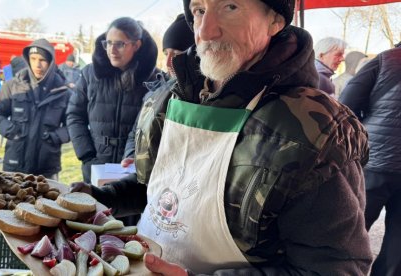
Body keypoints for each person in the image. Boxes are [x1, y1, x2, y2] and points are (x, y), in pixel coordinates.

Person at [71, 0, 373, 274]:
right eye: (199, 9)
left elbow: (336, 268)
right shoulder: (170, 97)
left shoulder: (312, 132)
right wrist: (99, 199)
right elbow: (158, 189)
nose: (205, 30)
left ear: (275, 20)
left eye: (230, 7)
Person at [66, 17, 159, 184]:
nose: (112, 50)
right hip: (95, 166)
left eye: (120, 44)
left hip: (134, 170)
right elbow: (74, 115)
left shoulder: (154, 80)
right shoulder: (90, 74)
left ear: (136, 45)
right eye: (108, 43)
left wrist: (138, 160)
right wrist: (87, 156)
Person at [339, 43, 401, 276]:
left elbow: (347, 104)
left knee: (351, 231)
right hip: (381, 160)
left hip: (375, 161)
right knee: (399, 245)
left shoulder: (386, 59)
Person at [0, 39, 71, 180]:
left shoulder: (63, 92)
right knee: (12, 201)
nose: (37, 65)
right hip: (15, 165)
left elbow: (74, 124)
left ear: (51, 63)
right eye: (33, 59)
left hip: (46, 167)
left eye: (43, 60)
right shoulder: (12, 86)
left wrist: (55, 137)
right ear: (28, 59)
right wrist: (10, 130)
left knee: (46, 202)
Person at [121, 13, 195, 171]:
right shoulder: (155, 90)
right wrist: (132, 155)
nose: (168, 62)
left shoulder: (204, 99)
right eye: (166, 53)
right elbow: (136, 131)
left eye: (176, 54)